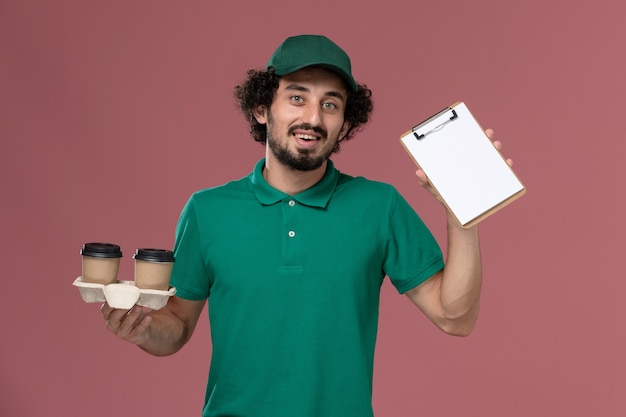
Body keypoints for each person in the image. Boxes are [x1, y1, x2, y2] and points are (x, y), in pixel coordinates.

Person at [101, 34, 507, 417]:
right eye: (297, 98)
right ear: (262, 109)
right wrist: (142, 327)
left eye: (331, 104)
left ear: (345, 124)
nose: (312, 117)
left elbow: (456, 318)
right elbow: (177, 328)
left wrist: (463, 215)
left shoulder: (378, 205)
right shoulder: (207, 211)